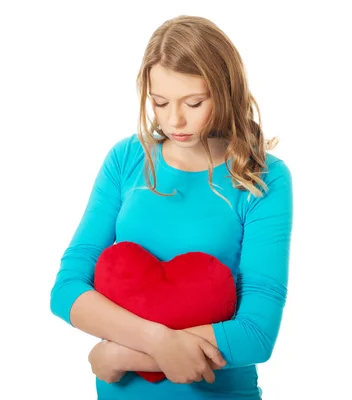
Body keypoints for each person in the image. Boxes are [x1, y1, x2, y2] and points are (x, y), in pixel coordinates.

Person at [50, 15, 293, 400]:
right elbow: (67, 289)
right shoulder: (127, 159)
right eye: (160, 102)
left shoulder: (262, 176)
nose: (174, 119)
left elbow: (256, 332)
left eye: (194, 102)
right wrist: (156, 340)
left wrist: (120, 354)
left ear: (226, 92)